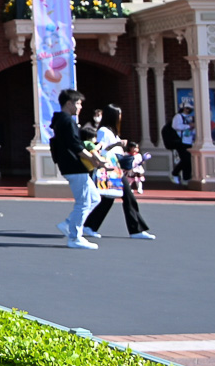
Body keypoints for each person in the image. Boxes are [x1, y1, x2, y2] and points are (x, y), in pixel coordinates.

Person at [84, 105, 155, 239]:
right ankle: (136, 230)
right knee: (128, 197)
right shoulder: (104, 131)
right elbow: (101, 148)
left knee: (108, 199)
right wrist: (118, 145)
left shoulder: (112, 132)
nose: (121, 117)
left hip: (115, 167)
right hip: (110, 168)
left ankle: (90, 225)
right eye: (119, 114)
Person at [50, 89, 102, 250]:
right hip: (74, 166)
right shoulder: (67, 121)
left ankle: (68, 224)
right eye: (78, 103)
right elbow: (75, 144)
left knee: (94, 198)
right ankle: (75, 237)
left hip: (71, 166)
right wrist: (94, 158)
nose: (80, 107)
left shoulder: (61, 120)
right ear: (68, 103)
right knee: (84, 202)